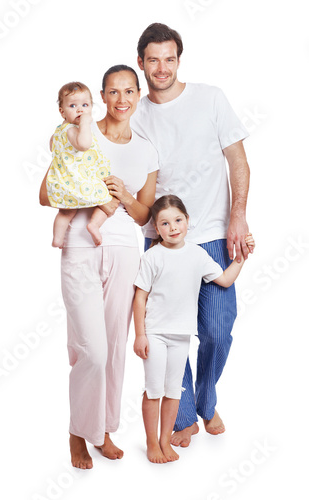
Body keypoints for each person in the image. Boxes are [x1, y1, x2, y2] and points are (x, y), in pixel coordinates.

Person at [131, 23, 251, 445]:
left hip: (214, 232)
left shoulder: (210, 98)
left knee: (217, 331)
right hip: (160, 237)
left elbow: (237, 159)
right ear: (141, 63)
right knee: (166, 330)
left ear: (179, 59)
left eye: (169, 59)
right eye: (153, 60)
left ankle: (205, 399)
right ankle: (183, 416)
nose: (161, 68)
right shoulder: (137, 113)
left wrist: (238, 215)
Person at [39, 65, 159, 469]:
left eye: (129, 91)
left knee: (114, 349)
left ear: (138, 95)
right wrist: (85, 192)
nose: (121, 100)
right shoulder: (80, 133)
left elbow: (145, 215)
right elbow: (45, 192)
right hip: (80, 241)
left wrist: (123, 193)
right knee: (91, 348)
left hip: (126, 246)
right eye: (113, 92)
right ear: (102, 97)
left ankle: (104, 430)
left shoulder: (146, 148)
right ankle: (78, 433)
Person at [133, 195, 255, 464]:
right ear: (156, 227)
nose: (173, 227)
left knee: (174, 391)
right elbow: (140, 297)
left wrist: (241, 257)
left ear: (188, 221)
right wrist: (140, 334)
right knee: (154, 390)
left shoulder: (198, 255)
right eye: (164, 223)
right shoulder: (152, 256)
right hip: (154, 333)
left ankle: (165, 440)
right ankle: (152, 443)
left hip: (180, 336)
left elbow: (223, 280)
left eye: (178, 220)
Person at [47, 81, 116, 248]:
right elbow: (84, 145)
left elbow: (53, 148)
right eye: (73, 105)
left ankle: (57, 238)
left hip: (65, 182)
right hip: (80, 181)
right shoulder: (72, 130)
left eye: (85, 105)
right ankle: (94, 224)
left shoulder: (58, 131)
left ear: (91, 107)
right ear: (62, 112)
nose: (80, 110)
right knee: (109, 199)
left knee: (66, 211)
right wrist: (85, 123)